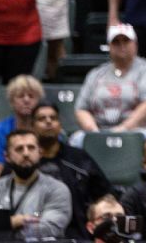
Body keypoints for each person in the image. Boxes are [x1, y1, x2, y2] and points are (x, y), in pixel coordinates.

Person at [29, 100, 114, 239]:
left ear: (60, 124)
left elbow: (105, 194)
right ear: (32, 126)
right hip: (35, 233)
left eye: (53, 118)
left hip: (79, 233)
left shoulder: (79, 158)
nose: (48, 122)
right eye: (41, 119)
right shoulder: (25, 162)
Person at [73, 24, 146, 145]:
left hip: (139, 130)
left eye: (126, 41)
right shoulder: (96, 74)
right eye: (116, 42)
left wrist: (122, 130)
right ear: (109, 46)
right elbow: (81, 109)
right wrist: (94, 132)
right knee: (77, 140)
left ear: (135, 44)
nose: (122, 45)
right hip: (100, 130)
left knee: (145, 140)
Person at [0, 130, 73, 239]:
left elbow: (50, 229)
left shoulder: (57, 189)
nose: (26, 153)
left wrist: (2, 227)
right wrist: (15, 221)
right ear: (7, 156)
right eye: (19, 149)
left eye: (31, 148)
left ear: (40, 153)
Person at [0, 74, 44, 180]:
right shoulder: (1, 130)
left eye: (31, 96)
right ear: (12, 101)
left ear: (38, 101)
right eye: (20, 96)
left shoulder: (46, 129)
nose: (26, 100)